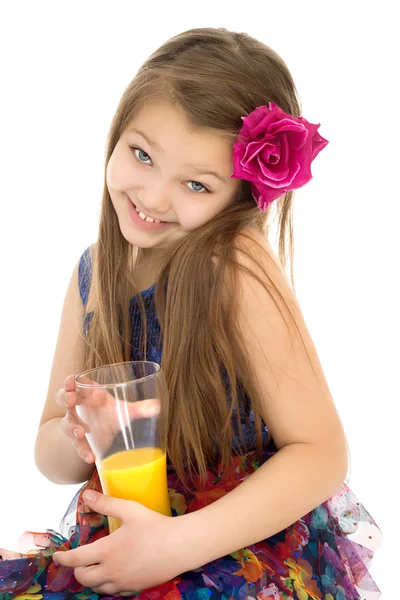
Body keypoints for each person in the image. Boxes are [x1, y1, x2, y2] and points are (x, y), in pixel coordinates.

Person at [0, 27, 382, 600]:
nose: (153, 197)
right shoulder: (93, 275)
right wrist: (80, 433)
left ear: (240, 196)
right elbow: (50, 454)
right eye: (142, 154)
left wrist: (173, 547)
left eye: (197, 185)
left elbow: (322, 453)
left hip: (237, 551)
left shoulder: (235, 268)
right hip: (128, 542)